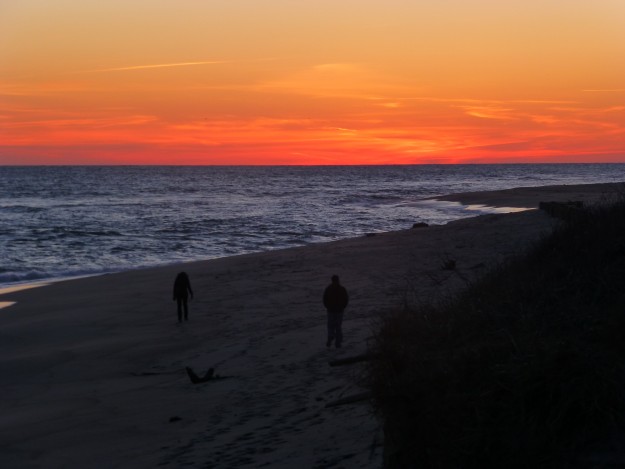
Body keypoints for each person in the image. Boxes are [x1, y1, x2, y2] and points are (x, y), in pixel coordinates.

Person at [323, 274, 349, 348]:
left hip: (331, 310)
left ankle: (331, 336)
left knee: (330, 325)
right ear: (338, 280)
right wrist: (343, 307)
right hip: (339, 310)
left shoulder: (328, 288)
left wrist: (327, 307)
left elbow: (324, 299)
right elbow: (346, 299)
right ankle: (338, 342)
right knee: (338, 326)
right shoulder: (342, 289)